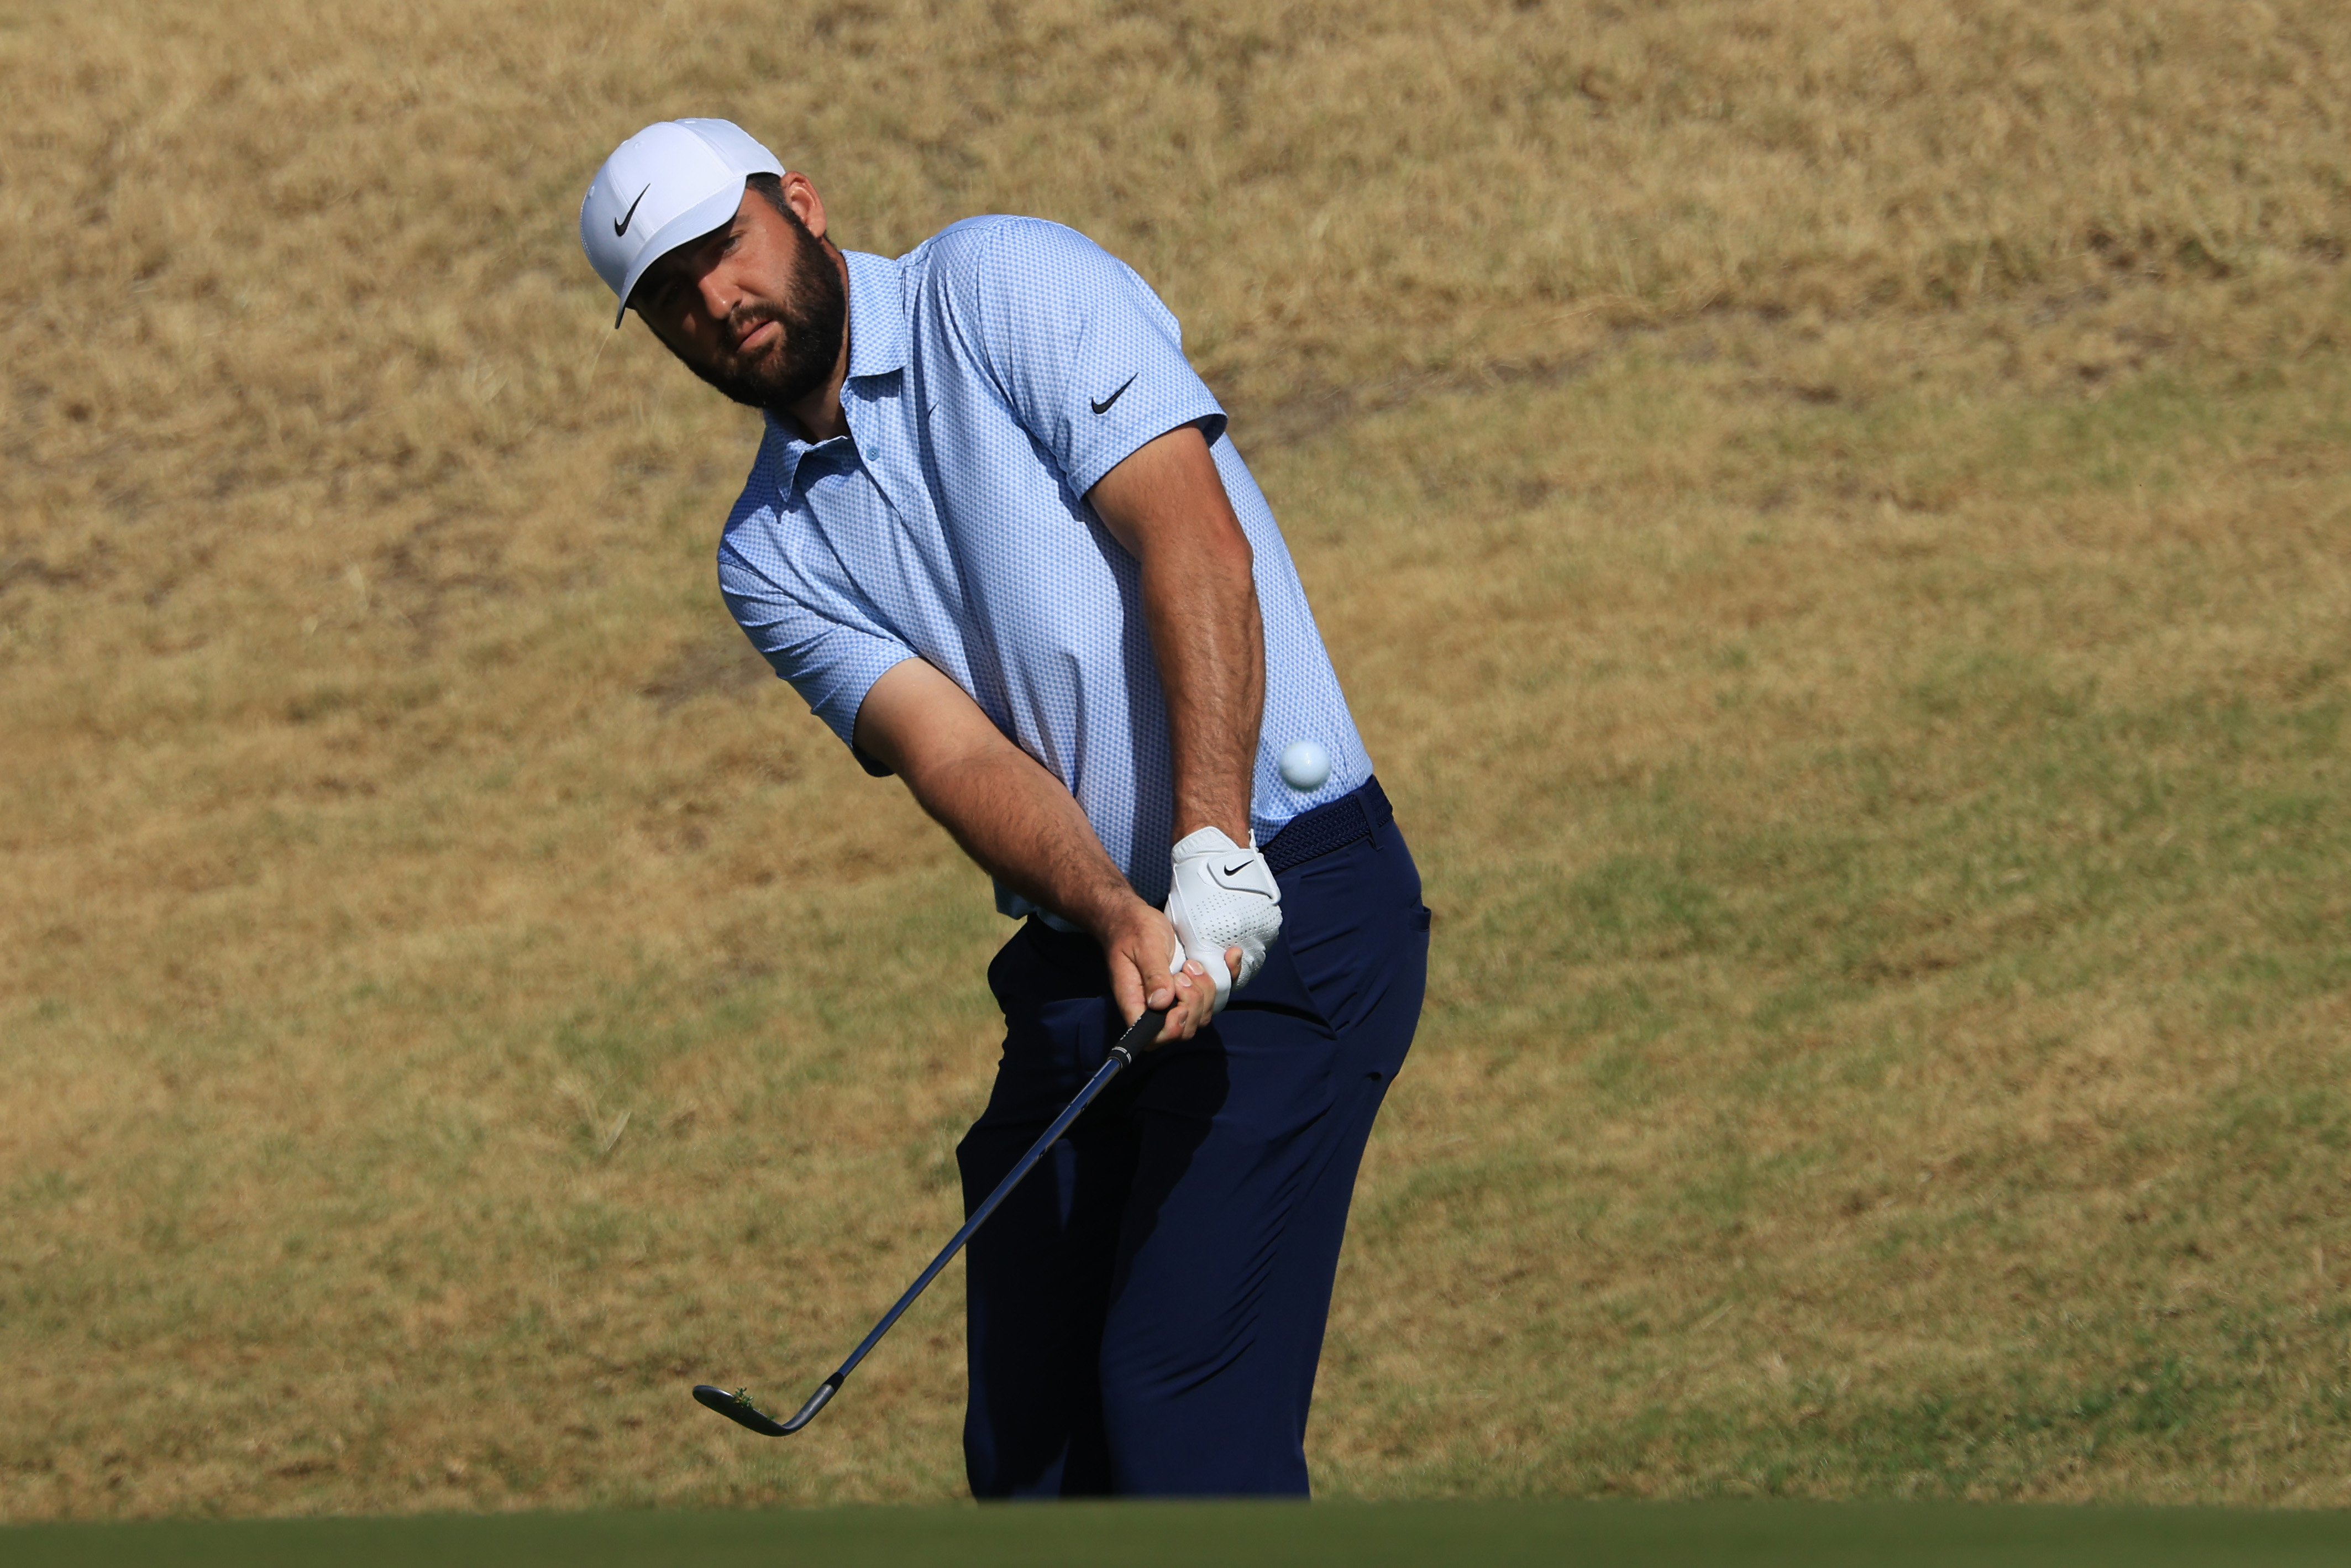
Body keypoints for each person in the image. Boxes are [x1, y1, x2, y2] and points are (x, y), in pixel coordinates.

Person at [579, 118, 1430, 1497]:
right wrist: (1112, 908)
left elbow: (1192, 539)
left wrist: (1213, 842)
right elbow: (958, 758)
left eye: (723, 249)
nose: (715, 302)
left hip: (1297, 897)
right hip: (1088, 956)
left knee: (1179, 1415)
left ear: (797, 202)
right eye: (670, 295)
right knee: (1030, 1458)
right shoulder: (766, 556)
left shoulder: (1005, 284)